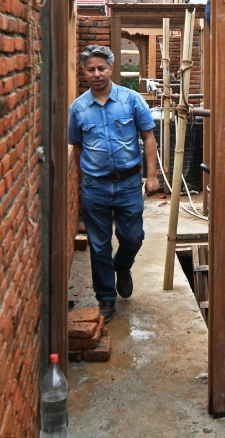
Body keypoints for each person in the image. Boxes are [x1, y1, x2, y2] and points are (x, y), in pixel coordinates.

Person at [69, 45, 160, 323]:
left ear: (111, 68)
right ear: (84, 72)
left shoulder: (131, 100)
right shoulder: (78, 107)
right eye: (90, 69)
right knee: (99, 245)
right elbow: (77, 147)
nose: (96, 74)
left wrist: (152, 175)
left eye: (101, 68)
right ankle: (106, 299)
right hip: (95, 186)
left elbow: (148, 138)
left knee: (133, 237)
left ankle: (123, 267)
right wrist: (79, 183)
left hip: (129, 183)